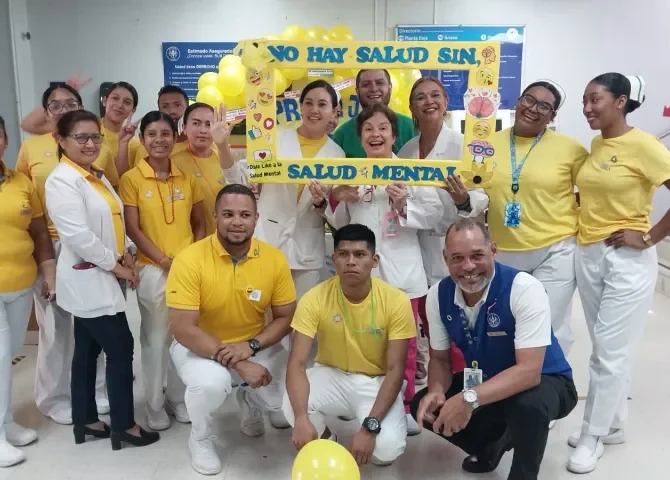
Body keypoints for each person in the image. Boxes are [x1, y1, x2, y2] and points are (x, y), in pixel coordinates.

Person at [411, 218, 577, 479]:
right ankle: (491, 446)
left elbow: (529, 371)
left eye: (477, 256)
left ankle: (523, 474)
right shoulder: (437, 296)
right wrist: (436, 390)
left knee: (527, 405)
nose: (468, 267)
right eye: (457, 258)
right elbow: (440, 360)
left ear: (494, 251)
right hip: (487, 382)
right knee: (424, 405)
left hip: (546, 381)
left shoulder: (523, 288)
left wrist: (468, 399)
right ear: (445, 258)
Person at [318, 103, 443, 435]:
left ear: (394, 135)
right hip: (362, 275)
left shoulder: (412, 171)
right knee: (362, 339)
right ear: (360, 137)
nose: (375, 134)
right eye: (368, 129)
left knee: (405, 344)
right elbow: (341, 225)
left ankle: (404, 405)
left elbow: (433, 215)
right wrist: (336, 199)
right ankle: (361, 398)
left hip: (403, 272)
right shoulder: (351, 172)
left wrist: (404, 205)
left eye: (383, 128)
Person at [567, 74, 670, 474]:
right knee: (608, 347)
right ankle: (611, 425)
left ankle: (592, 436)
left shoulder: (645, 145)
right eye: (584, 101)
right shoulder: (598, 144)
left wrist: (649, 237)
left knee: (608, 353)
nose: (588, 108)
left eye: (595, 100)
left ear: (621, 101)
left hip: (625, 259)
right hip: (589, 251)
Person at [45, 110, 159, 450]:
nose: (90, 143)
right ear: (61, 141)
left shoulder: (94, 175)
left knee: (87, 350)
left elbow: (115, 220)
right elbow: (79, 236)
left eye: (95, 136)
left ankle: (86, 420)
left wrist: (126, 252)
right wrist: (117, 266)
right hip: (88, 278)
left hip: (102, 273)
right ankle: (124, 424)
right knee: (121, 348)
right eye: (81, 137)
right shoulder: (61, 180)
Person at [166, 184, 297, 475]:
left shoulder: (274, 259)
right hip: (197, 347)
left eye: (244, 215)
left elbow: (286, 317)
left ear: (256, 218)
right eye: (228, 214)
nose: (236, 221)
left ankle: (250, 399)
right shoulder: (190, 259)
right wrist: (240, 362)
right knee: (210, 384)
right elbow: (182, 328)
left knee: (280, 399)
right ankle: (200, 438)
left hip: (252, 343)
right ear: (215, 217)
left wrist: (250, 347)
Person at [16, 84, 115, 424]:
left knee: (95, 323)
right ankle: (52, 398)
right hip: (52, 246)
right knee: (56, 329)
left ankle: (97, 390)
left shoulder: (92, 146)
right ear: (46, 112)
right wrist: (45, 263)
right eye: (54, 104)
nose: (61, 108)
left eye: (70, 103)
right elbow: (26, 201)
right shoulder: (32, 147)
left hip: (92, 244)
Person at [284, 224, 416, 467]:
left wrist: (369, 428)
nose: (351, 262)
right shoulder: (314, 297)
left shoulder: (396, 301)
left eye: (360, 255)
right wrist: (302, 418)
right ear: (333, 259)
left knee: (387, 449)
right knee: (291, 406)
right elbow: (297, 362)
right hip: (331, 374)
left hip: (375, 381)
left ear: (374, 260)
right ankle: (327, 439)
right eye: (343, 254)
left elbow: (396, 370)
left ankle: (370, 427)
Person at [488, 80, 588, 358]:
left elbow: (593, 190)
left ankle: (551, 389)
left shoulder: (570, 149)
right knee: (507, 324)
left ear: (553, 116)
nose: (533, 109)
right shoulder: (487, 145)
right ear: (517, 101)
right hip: (503, 250)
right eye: (529, 100)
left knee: (548, 325)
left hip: (555, 249)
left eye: (545, 106)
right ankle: (509, 387)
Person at [119, 111, 207, 431]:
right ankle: (155, 404)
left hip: (187, 270)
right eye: (152, 134)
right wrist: (163, 260)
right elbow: (133, 227)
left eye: (166, 134)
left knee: (182, 338)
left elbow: (198, 223)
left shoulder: (186, 176)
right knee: (155, 340)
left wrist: (191, 257)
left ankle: (178, 398)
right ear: (142, 140)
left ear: (176, 137)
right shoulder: (131, 179)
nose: (159, 140)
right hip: (152, 269)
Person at [220, 80, 345, 300]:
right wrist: (222, 146)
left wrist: (320, 204)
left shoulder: (337, 155)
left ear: (334, 111)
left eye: (322, 104)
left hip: (306, 247)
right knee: (262, 313)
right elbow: (238, 180)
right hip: (268, 239)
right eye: (308, 103)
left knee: (302, 319)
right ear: (300, 106)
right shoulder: (274, 140)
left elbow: (334, 212)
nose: (314, 110)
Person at [398, 76, 488, 381]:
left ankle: (468, 380)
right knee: (431, 316)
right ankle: (435, 375)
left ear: (447, 102)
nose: (429, 102)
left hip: (456, 239)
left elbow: (482, 195)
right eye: (420, 97)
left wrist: (463, 199)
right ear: (411, 107)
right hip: (417, 241)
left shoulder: (464, 146)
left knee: (462, 316)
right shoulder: (408, 150)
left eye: (435, 95)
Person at [0, 116, 55, 467]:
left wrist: (47, 270)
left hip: (20, 283)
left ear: (5, 140)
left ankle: (6, 421)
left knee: (10, 351)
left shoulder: (19, 181)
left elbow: (37, 231)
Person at [172, 103, 229, 235]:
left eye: (209, 124)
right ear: (184, 128)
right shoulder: (172, 163)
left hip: (225, 238)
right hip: (191, 241)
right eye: (196, 123)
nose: (203, 130)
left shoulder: (224, 160)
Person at [331, 69, 416, 158]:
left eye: (379, 83)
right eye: (366, 84)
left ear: (390, 87)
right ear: (357, 91)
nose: (373, 89)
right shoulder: (342, 135)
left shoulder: (412, 128)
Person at [130, 85, 190, 170]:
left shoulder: (197, 144)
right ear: (159, 110)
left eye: (178, 105)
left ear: (188, 108)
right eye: (165, 106)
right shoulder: (147, 147)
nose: (172, 111)